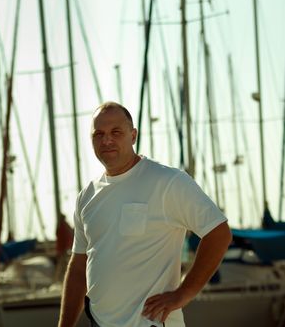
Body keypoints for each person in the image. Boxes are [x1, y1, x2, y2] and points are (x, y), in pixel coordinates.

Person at [58, 102, 232, 327]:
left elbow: (219, 234)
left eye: (116, 132)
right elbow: (79, 266)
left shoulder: (167, 182)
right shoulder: (87, 196)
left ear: (133, 135)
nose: (106, 140)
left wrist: (184, 294)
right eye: (98, 134)